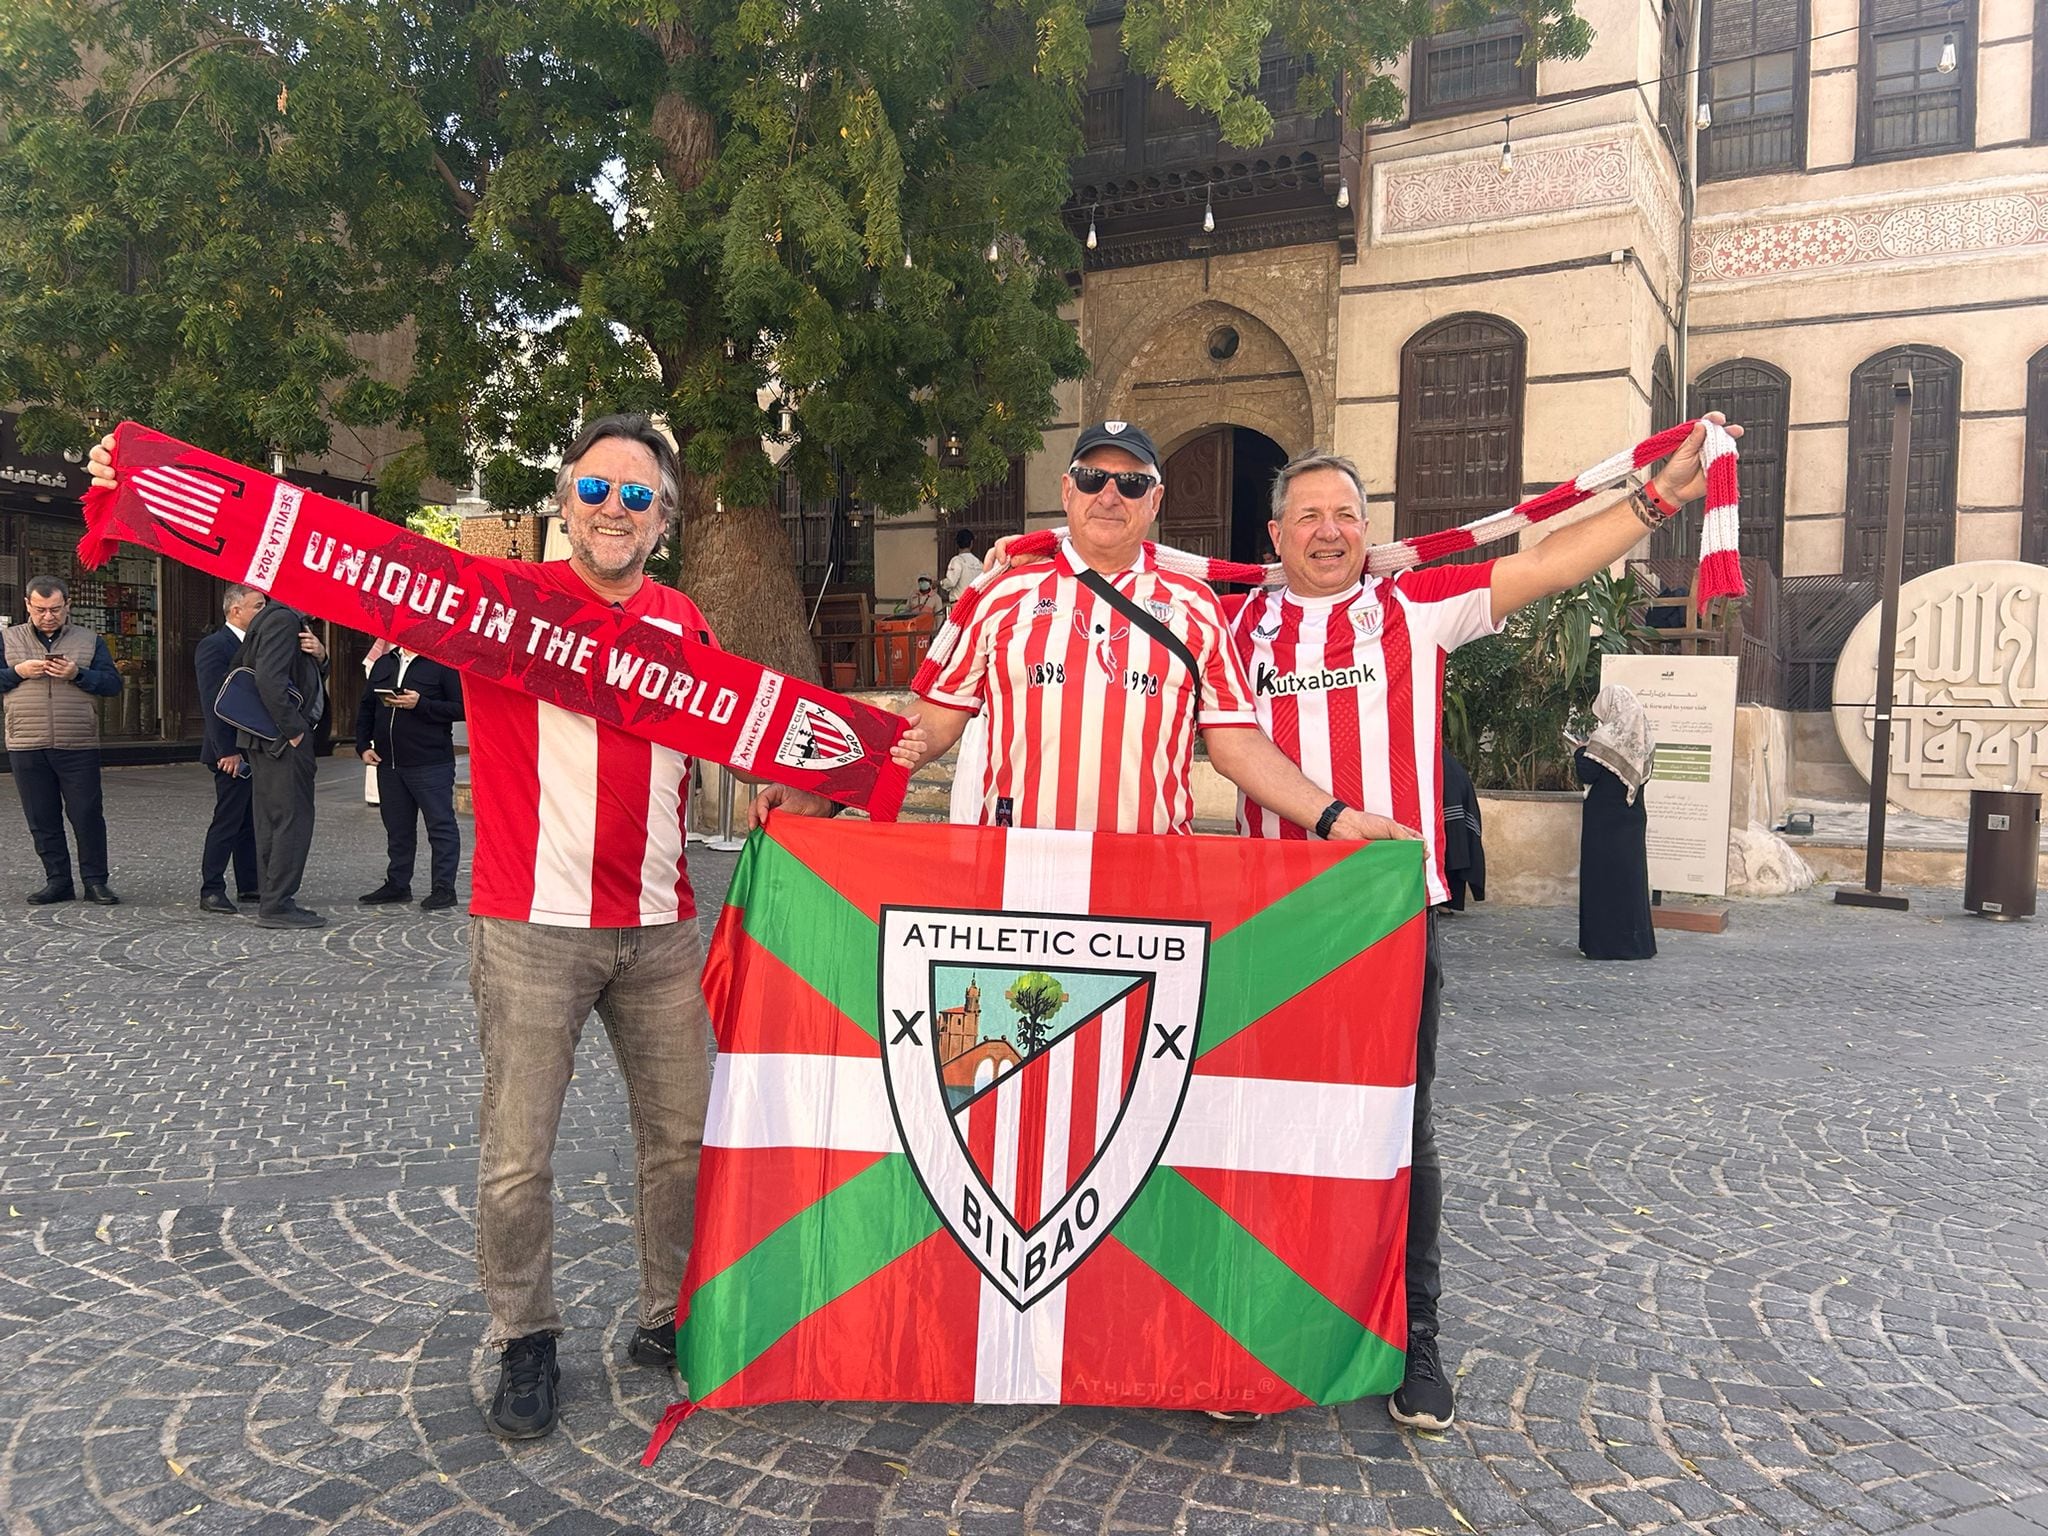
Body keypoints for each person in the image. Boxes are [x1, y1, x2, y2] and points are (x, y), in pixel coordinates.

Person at [1220, 415, 1739, 1430]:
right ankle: (1261, 1341)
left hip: (1386, 922)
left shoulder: (1409, 603)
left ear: (1364, 530)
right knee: (1263, 1130)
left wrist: (1658, 497)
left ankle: (1415, 1346)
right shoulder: (1231, 628)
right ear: (1272, 533)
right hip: (1269, 923)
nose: (1326, 531)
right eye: (1306, 515)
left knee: (1397, 1136)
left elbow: (1545, 564)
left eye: (1344, 514)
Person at [1, 576, 124, 905]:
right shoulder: (7, 639)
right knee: (42, 817)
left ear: (68, 604)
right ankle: (57, 881)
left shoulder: (89, 639)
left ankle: (96, 881)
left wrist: (78, 674)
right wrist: (17, 673)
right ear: (27, 605)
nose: (48, 616)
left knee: (86, 814)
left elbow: (113, 684)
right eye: (40, 609)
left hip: (77, 742)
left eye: (55, 609)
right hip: (26, 741)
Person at [237, 598, 329, 929]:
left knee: (274, 820)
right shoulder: (282, 621)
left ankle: (273, 897)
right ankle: (277, 904)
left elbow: (296, 676)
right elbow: (269, 680)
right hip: (281, 741)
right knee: (291, 820)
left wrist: (320, 656)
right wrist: (294, 731)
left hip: (268, 739)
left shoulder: (274, 620)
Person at [354, 645, 465, 911]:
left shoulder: (443, 663)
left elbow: (461, 708)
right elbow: (367, 707)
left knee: (440, 827)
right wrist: (362, 745)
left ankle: (443, 888)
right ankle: (398, 884)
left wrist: (421, 704)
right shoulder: (383, 664)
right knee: (397, 828)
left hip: (430, 762)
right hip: (389, 763)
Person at [194, 583, 267, 914]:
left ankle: (250, 883)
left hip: (255, 746)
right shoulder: (215, 646)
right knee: (228, 818)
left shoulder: (259, 644)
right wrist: (227, 750)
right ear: (235, 610)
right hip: (230, 750)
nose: (264, 613)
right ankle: (212, 887)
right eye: (258, 606)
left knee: (249, 820)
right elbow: (213, 703)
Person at [1572, 683, 1657, 960]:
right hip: (1632, 818)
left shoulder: (1605, 737)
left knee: (1602, 881)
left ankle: (1604, 944)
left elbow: (1587, 773)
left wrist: (1579, 751)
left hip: (1603, 823)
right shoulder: (1645, 738)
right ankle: (1636, 943)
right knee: (1630, 880)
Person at [1440, 751, 1484, 912]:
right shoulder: (1449, 762)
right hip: (1453, 797)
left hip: (1448, 798)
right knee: (1456, 844)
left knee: (1450, 844)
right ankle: (1447, 900)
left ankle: (1444, 900)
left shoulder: (1438, 759)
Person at [940, 527, 982, 602]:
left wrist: (940, 583)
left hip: (960, 603)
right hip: (975, 603)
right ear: (971, 543)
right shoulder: (978, 562)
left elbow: (951, 582)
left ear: (957, 543)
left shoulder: (957, 561)